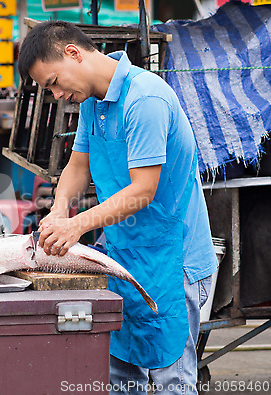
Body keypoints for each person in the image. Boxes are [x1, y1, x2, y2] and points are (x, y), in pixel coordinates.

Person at [18, 21, 218, 394]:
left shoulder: (144, 98)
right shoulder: (94, 100)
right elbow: (77, 164)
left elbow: (143, 190)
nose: (58, 95)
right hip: (123, 257)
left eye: (54, 83)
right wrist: (59, 210)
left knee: (172, 382)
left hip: (172, 264)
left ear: (73, 54)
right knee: (121, 379)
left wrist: (76, 226)